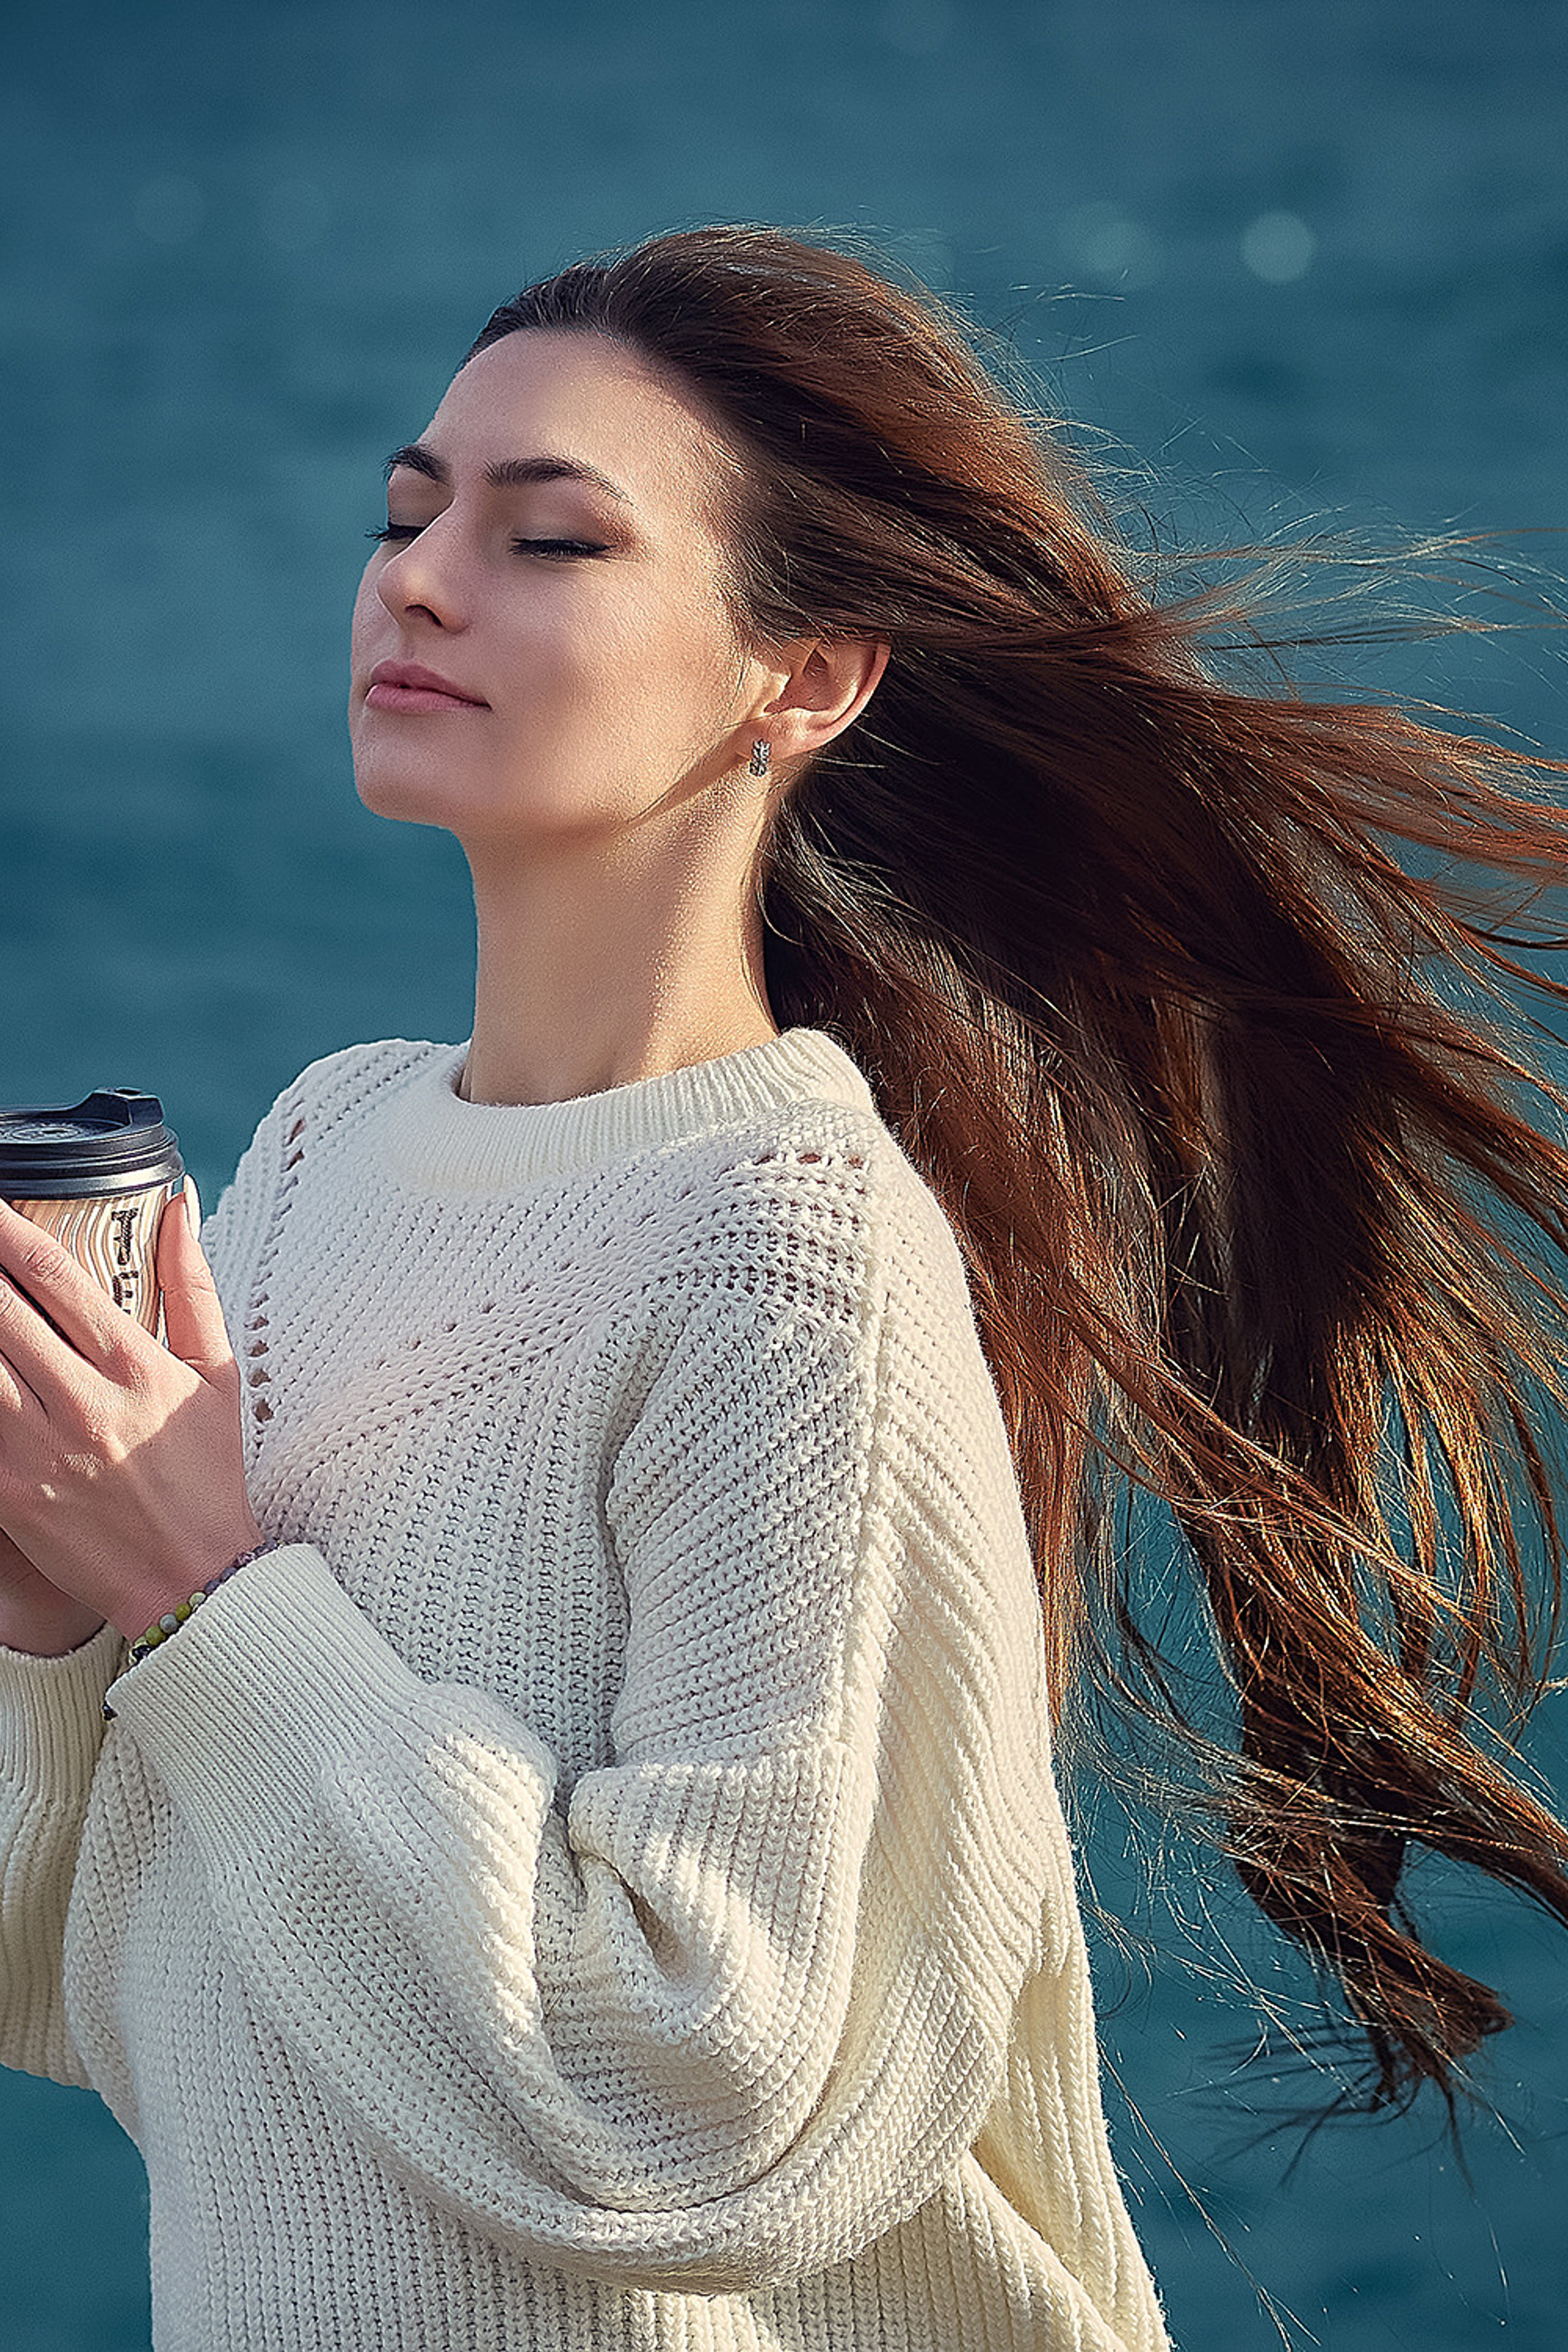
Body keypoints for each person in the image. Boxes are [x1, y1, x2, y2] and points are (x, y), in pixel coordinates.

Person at [1, 223, 1566, 2352]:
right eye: (406, 512)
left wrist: (206, 1605)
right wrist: (56, 1609)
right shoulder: (315, 1153)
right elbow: (114, 1976)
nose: (422, 577)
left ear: (803, 678)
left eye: (551, 539)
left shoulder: (786, 1254)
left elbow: (694, 2116)